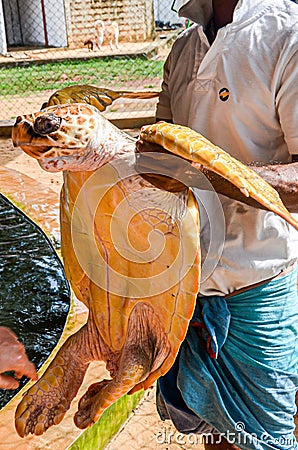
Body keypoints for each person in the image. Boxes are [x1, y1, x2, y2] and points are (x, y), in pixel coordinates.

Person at [136, 0, 298, 448]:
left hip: (257, 290)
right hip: (188, 290)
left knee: (264, 439)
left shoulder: (287, 35)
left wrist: (200, 176)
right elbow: (156, 154)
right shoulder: (184, 47)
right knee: (217, 432)